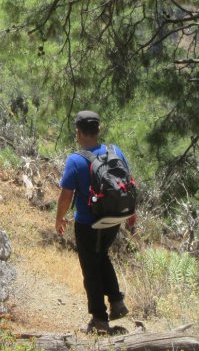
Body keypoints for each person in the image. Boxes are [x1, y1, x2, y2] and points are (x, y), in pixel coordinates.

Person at [55, 110, 130, 334]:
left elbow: (66, 195)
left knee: (91, 270)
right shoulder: (115, 151)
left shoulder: (76, 160)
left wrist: (59, 218)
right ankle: (117, 302)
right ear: (98, 130)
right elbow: (128, 183)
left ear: (78, 132)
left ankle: (99, 319)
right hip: (114, 220)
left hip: (89, 224)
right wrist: (131, 213)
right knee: (102, 256)